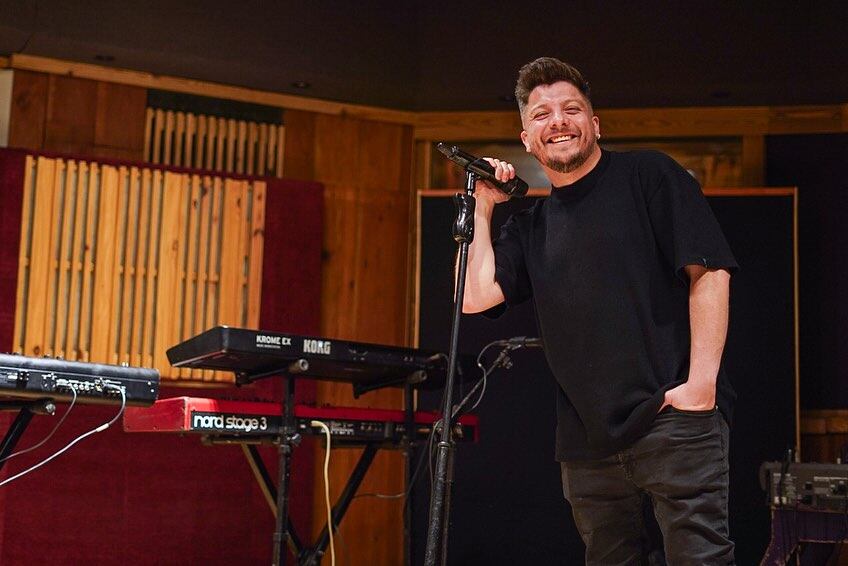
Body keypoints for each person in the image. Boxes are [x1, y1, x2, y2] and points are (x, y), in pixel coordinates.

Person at [463, 57, 738, 565]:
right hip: (587, 443)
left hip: (672, 419)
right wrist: (483, 205)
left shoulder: (648, 174)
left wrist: (701, 386)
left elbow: (711, 270)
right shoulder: (532, 226)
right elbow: (474, 296)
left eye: (571, 109)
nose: (558, 121)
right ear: (527, 139)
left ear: (595, 124)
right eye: (541, 115)